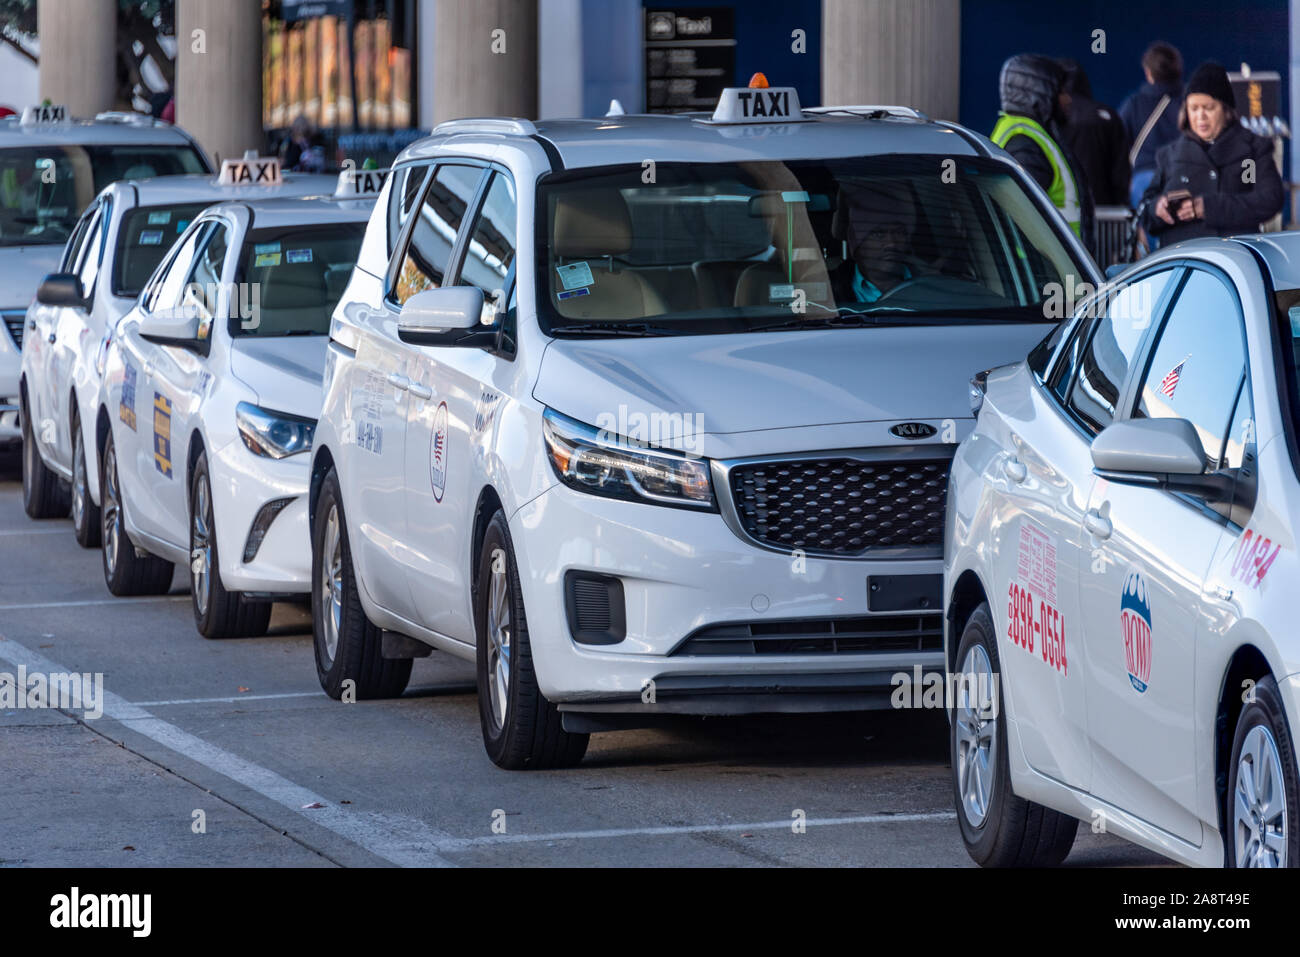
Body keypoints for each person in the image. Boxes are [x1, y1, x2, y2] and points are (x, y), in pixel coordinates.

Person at [1141, 61, 1283, 244]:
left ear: (1226, 110)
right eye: (1194, 108)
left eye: (1208, 108)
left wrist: (1207, 208)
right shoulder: (1169, 154)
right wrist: (1156, 208)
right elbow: (1144, 212)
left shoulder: (1254, 149)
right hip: (1181, 263)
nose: (1200, 116)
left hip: (1232, 259)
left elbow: (1269, 199)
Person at [991, 54, 1096, 253]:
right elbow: (1023, 217)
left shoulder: (1030, 134)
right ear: (1041, 95)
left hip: (1051, 266)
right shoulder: (1024, 142)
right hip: (1043, 271)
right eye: (1062, 92)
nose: (1068, 99)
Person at [1119, 42, 1184, 209]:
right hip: (1180, 176)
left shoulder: (1134, 103)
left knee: (1146, 227)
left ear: (1149, 72)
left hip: (1144, 178)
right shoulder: (1189, 103)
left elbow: (1119, 141)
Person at [1057, 58, 1131, 207]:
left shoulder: (1052, 117)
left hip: (1062, 208)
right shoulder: (1107, 116)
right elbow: (1121, 172)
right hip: (1104, 208)